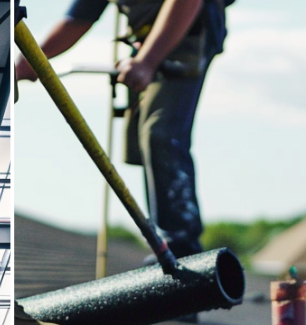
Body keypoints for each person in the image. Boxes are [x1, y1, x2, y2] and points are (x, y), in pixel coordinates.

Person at [15, 0, 227, 261]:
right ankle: (165, 234)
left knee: (160, 133)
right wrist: (24, 65)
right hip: (147, 39)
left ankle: (181, 242)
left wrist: (148, 60)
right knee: (143, 145)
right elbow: (77, 20)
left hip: (190, 30)